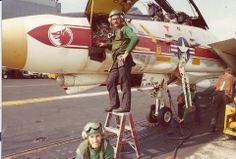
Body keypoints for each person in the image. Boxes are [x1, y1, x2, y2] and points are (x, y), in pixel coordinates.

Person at [99, 10, 139, 113]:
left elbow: (135, 38)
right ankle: (114, 104)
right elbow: (115, 45)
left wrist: (127, 53)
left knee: (124, 82)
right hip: (116, 60)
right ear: (110, 21)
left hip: (123, 59)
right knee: (110, 82)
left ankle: (125, 106)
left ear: (121, 19)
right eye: (113, 19)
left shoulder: (126, 29)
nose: (115, 21)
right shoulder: (115, 32)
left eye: (117, 18)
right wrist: (105, 45)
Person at [210, 67, 236, 132]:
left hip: (217, 94)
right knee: (227, 111)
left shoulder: (220, 77)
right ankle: (227, 126)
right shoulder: (232, 77)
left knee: (215, 111)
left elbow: (215, 86)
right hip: (226, 95)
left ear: (225, 72)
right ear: (230, 72)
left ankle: (212, 127)